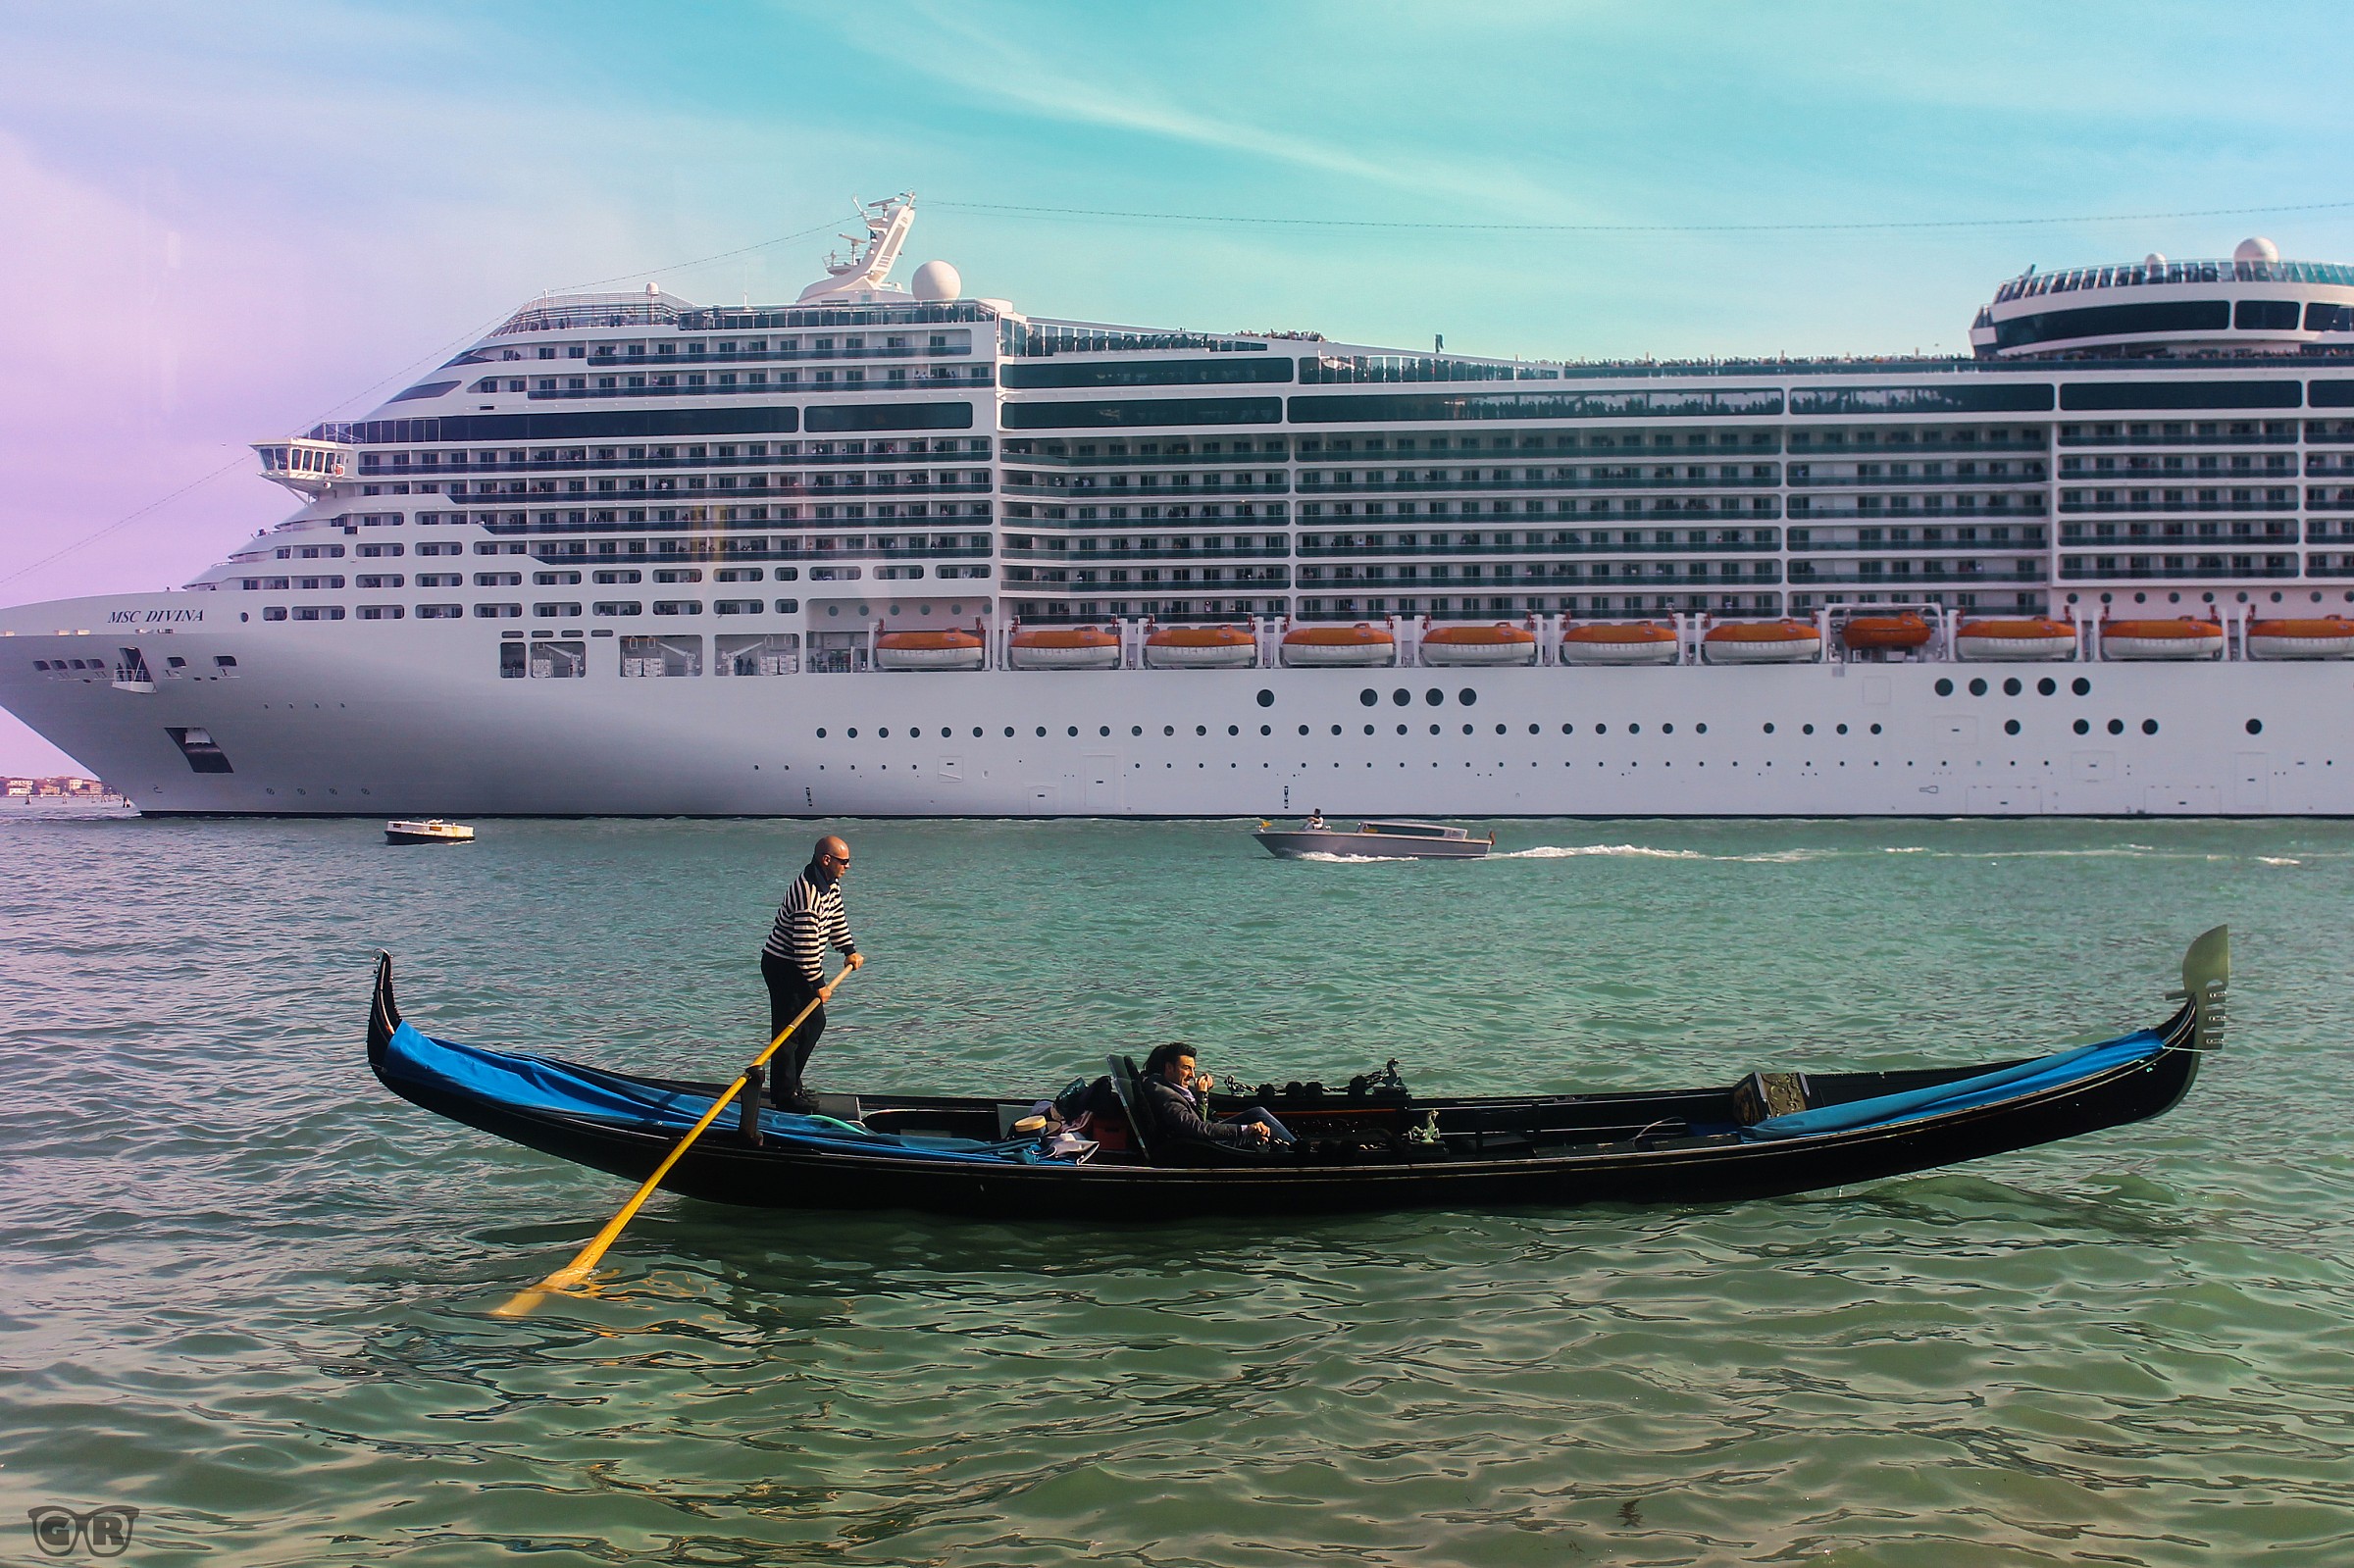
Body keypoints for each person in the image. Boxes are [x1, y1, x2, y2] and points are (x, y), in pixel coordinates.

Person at [760, 835, 863, 1108]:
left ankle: (793, 1084)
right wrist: (819, 984)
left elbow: (836, 918)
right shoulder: (807, 894)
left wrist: (848, 949)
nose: (848, 866)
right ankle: (784, 1095)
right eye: (844, 861)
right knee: (789, 1031)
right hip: (785, 967)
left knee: (814, 1023)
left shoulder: (830, 883)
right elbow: (804, 948)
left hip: (800, 966)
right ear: (826, 860)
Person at [1138, 1042, 1295, 1150]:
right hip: (1202, 1146)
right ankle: (1297, 1149)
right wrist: (1245, 1129)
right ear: (1169, 1067)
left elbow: (1198, 1121)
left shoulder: (1163, 1084)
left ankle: (1293, 1146)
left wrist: (1201, 1094)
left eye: (1193, 1069)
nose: (1192, 1075)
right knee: (1259, 1116)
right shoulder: (1166, 1096)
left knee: (1258, 1114)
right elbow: (1198, 1127)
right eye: (1186, 1068)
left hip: (1201, 1138)